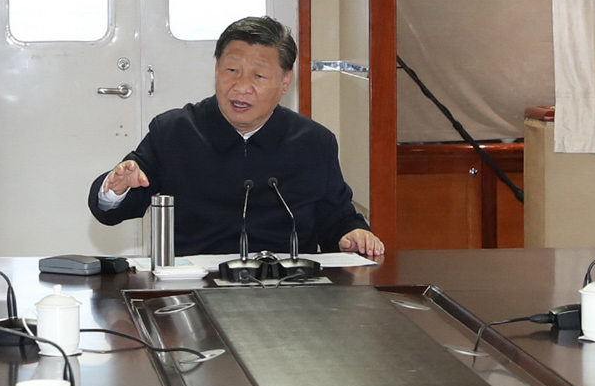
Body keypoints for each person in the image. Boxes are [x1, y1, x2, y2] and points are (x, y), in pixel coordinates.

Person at [87, 16, 385, 260]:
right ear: (217, 69)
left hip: (287, 286)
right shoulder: (174, 131)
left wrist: (352, 234)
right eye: (232, 70)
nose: (242, 87)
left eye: (258, 76)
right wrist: (114, 188)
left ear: (285, 81)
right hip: (194, 285)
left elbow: (336, 218)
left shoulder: (313, 142)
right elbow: (114, 210)